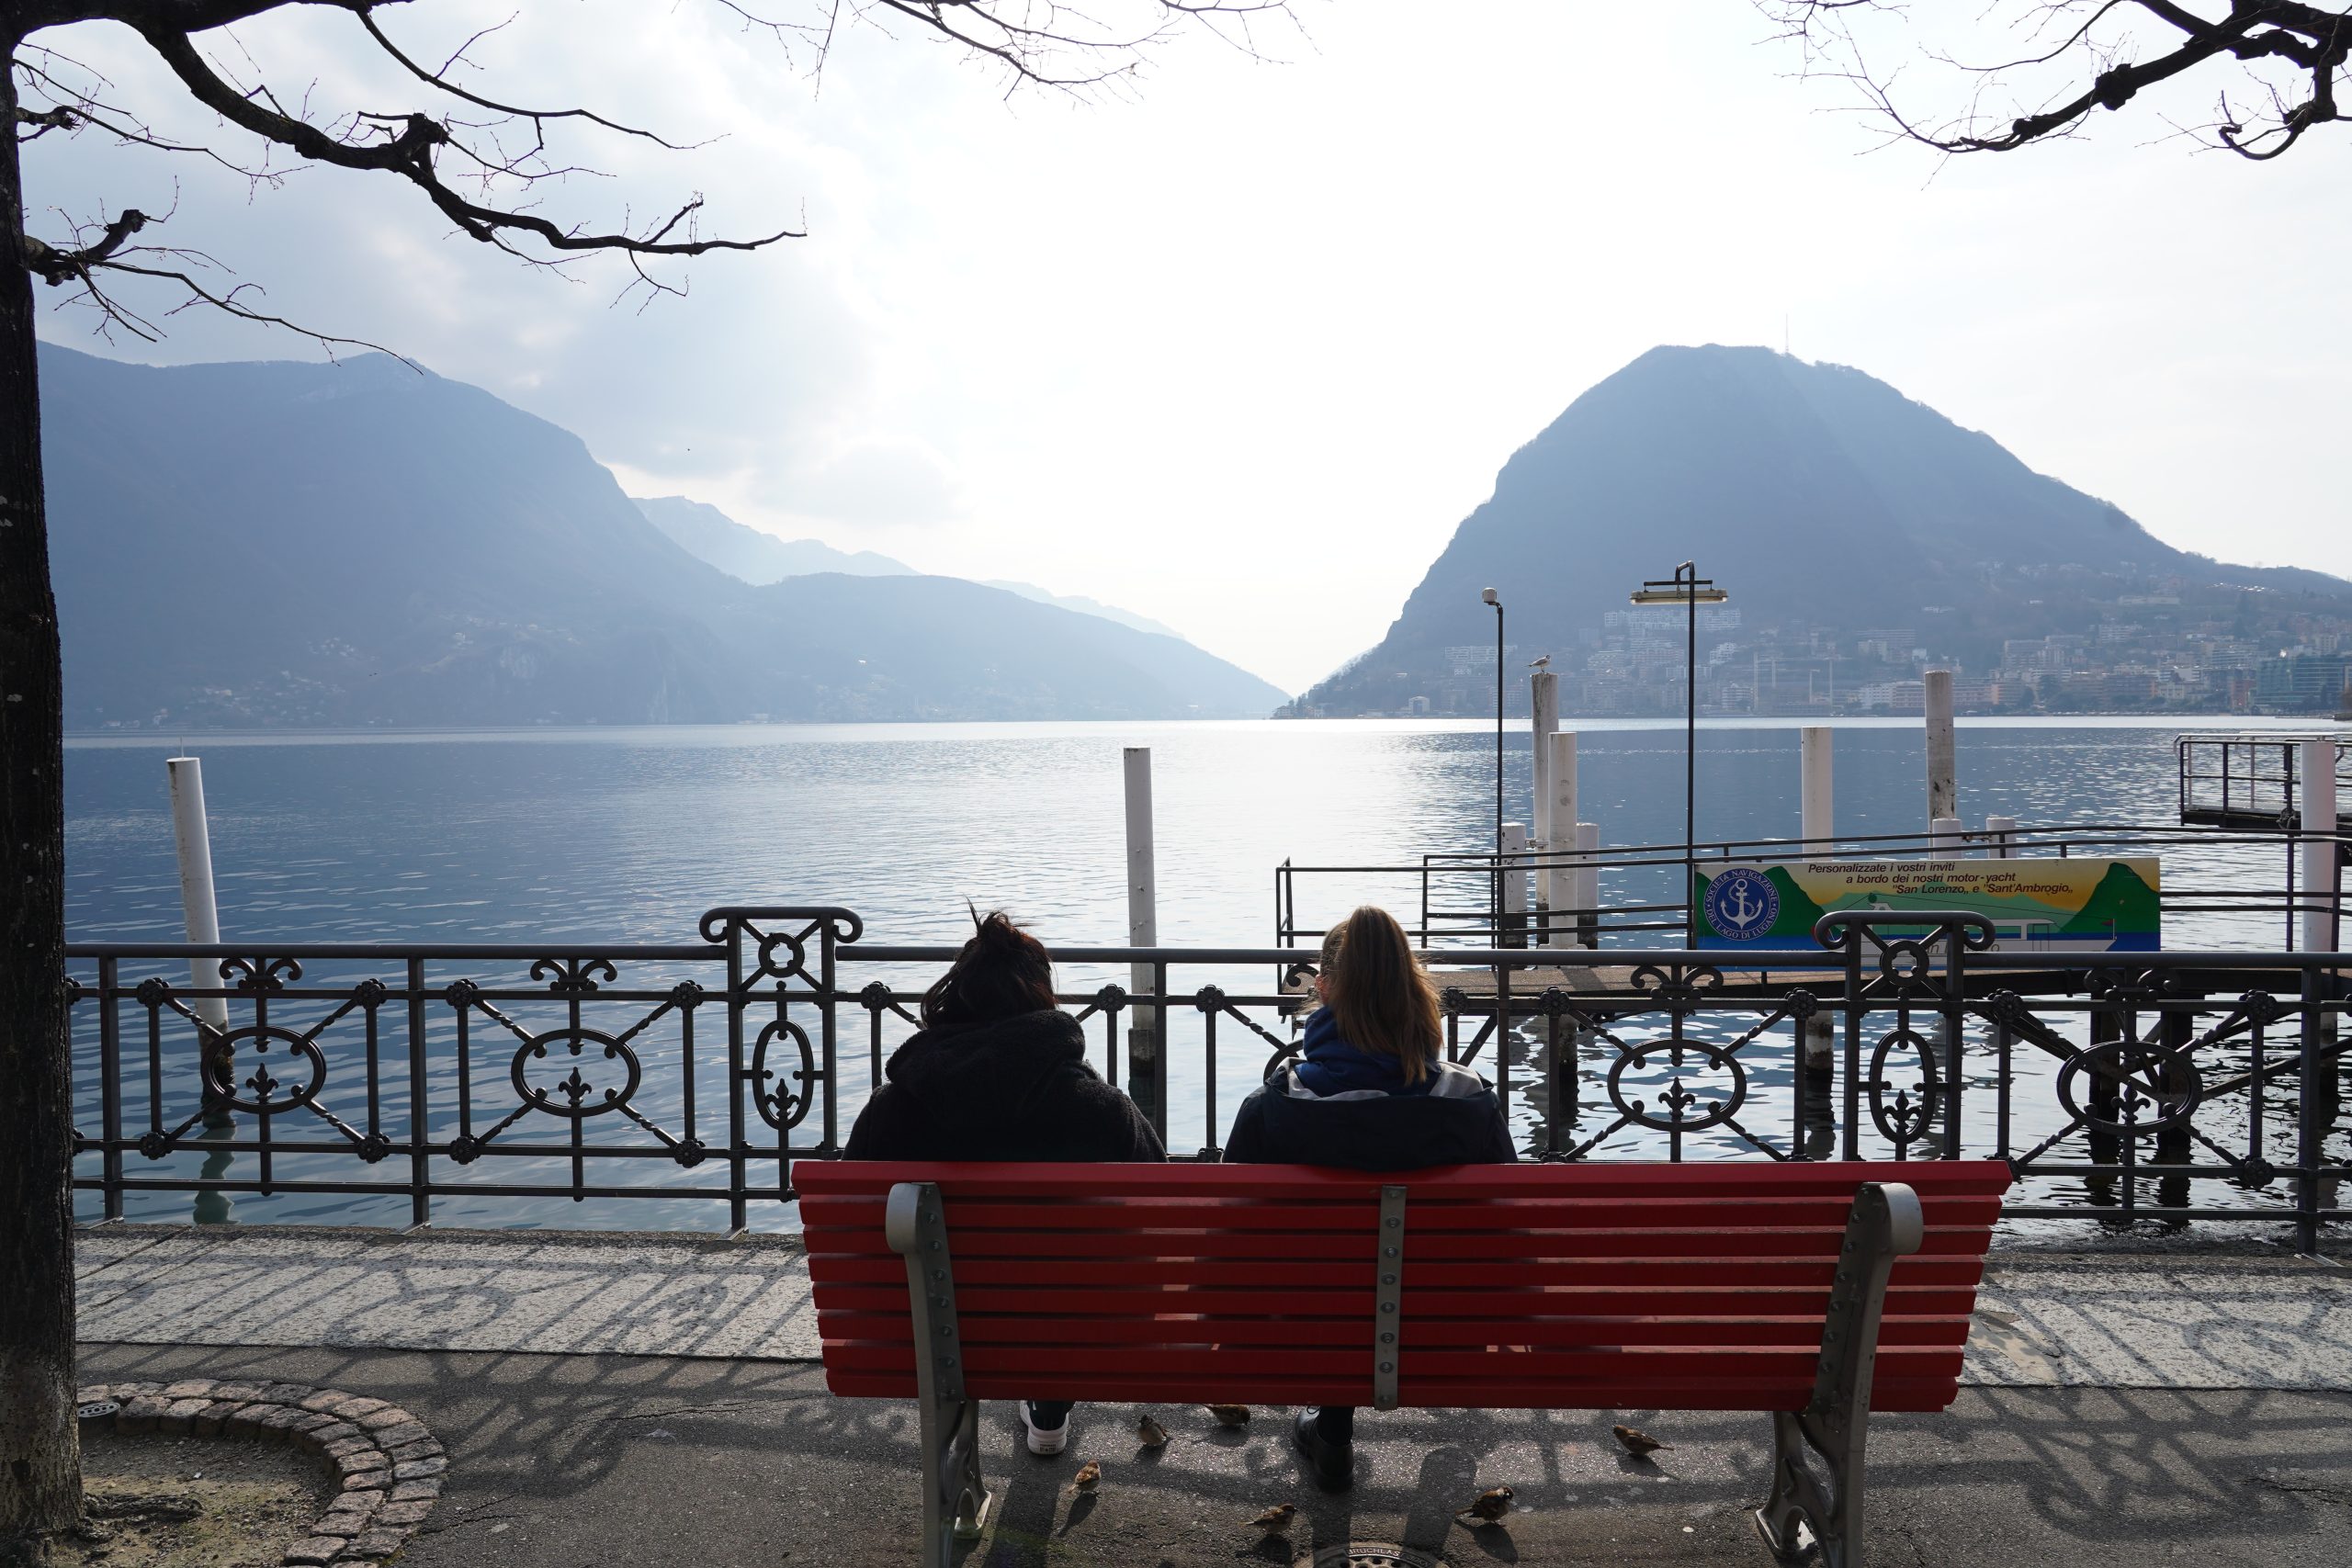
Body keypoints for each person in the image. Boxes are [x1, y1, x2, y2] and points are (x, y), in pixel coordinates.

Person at [844, 908, 1164, 1457]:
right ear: (1042, 998)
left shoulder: (892, 1111)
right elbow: (1160, 1217)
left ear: (958, 995)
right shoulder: (1103, 1111)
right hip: (1087, 1331)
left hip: (922, 1331)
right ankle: (1049, 1397)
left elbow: (854, 1232)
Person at [1223, 904, 1516, 1491]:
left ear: (1324, 990)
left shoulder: (1277, 1105)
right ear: (1414, 993)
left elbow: (1229, 1245)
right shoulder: (1468, 1101)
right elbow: (1507, 1233)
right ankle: (1332, 1422)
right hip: (1445, 1331)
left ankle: (1332, 1427)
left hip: (1300, 1329)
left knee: (1329, 1278)